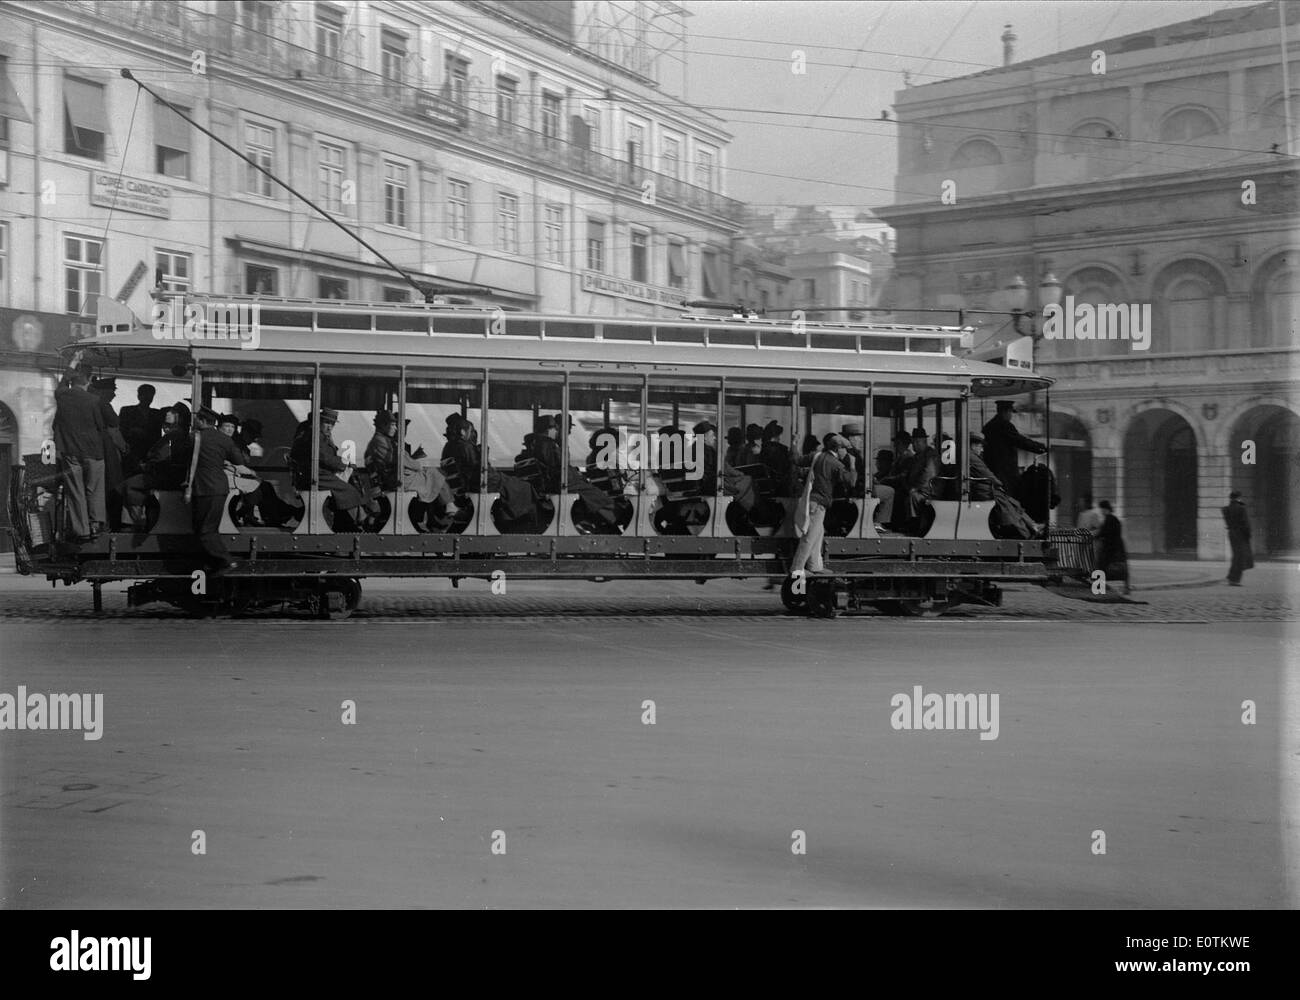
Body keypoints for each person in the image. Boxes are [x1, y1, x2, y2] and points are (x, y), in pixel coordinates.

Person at [184, 406, 248, 573]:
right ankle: (212, 564)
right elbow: (239, 460)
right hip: (220, 488)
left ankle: (226, 561)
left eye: (197, 418)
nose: (195, 421)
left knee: (204, 531)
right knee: (208, 528)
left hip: (203, 488)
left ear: (203, 421)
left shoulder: (194, 438)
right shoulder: (225, 439)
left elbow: (183, 459)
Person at [365, 410, 458, 514]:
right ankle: (449, 506)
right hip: (397, 479)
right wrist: (418, 465)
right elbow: (401, 459)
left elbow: (401, 459)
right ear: (383, 425)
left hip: (394, 476)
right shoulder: (381, 441)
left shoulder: (383, 440)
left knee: (433, 475)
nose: (396, 428)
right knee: (436, 474)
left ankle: (448, 505)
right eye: (393, 425)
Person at [789, 432, 855, 577]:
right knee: (809, 537)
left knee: (818, 534)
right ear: (838, 449)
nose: (846, 452)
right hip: (818, 504)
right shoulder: (836, 463)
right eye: (845, 449)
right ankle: (797, 568)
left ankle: (815, 566)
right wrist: (853, 465)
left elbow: (796, 459)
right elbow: (851, 481)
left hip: (813, 502)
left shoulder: (817, 456)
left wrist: (794, 443)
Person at [53, 370, 107, 541]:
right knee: (94, 488)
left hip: (71, 451)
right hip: (93, 452)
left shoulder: (62, 396)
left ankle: (81, 530)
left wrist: (73, 362)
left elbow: (61, 384)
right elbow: (101, 425)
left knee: (76, 490)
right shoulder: (94, 400)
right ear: (88, 382)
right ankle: (95, 524)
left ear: (72, 382)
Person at [123, 405, 192, 528]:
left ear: (179, 417)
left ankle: (137, 521)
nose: (168, 414)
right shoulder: (177, 434)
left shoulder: (174, 435)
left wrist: (146, 466)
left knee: (128, 485)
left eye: (173, 412)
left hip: (165, 476)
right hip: (166, 473)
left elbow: (162, 457)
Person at [981, 400, 1046, 496]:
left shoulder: (988, 426)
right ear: (1006, 412)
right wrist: (1040, 448)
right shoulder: (1004, 425)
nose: (1011, 416)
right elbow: (1020, 441)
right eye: (1010, 412)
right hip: (1004, 470)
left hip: (992, 468)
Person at [89, 377, 129, 532]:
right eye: (112, 391)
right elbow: (114, 425)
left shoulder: (91, 402)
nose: (114, 394)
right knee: (114, 486)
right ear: (104, 391)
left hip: (94, 450)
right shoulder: (103, 405)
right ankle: (112, 524)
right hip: (107, 451)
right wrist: (125, 448)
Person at [890, 427, 938, 534]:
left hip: (928, 490)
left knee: (913, 497)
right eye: (914, 441)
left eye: (917, 441)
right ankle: (899, 524)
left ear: (924, 441)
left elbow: (929, 475)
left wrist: (915, 488)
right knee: (898, 494)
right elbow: (907, 472)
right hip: (915, 488)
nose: (914, 444)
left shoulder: (930, 455)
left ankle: (915, 526)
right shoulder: (916, 457)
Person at [118, 383, 162, 474]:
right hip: (131, 452)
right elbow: (121, 430)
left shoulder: (156, 414)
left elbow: (158, 435)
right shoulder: (127, 411)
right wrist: (132, 431)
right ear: (139, 396)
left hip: (150, 453)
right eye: (145, 395)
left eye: (150, 396)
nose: (148, 398)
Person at [1093, 500, 1130, 595]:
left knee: (1101, 566)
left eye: (1101, 509)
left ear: (1105, 509)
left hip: (1110, 547)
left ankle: (1099, 588)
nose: (1100, 511)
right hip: (1117, 546)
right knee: (1121, 566)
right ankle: (1126, 587)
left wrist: (1094, 536)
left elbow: (1104, 532)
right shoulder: (1113, 518)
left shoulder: (1109, 519)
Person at [1223, 491, 1253, 586]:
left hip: (1231, 533)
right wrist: (1248, 535)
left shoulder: (1226, 509)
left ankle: (1231, 576)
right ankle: (1235, 580)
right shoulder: (1241, 508)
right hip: (1240, 534)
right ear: (1239, 498)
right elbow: (1246, 524)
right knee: (1240, 557)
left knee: (1236, 555)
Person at [759, 420, 792, 489]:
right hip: (780, 483)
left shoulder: (763, 449)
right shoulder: (782, 449)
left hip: (767, 483)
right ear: (776, 436)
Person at [841, 423, 866, 497]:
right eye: (858, 437)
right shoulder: (847, 455)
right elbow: (852, 481)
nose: (860, 440)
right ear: (849, 438)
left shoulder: (855, 453)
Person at [693, 420, 718, 494]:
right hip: (708, 485)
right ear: (704, 438)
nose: (714, 438)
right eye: (712, 435)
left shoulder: (695, 447)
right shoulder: (707, 450)